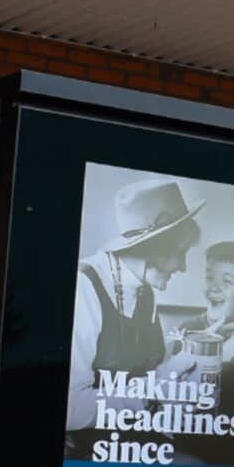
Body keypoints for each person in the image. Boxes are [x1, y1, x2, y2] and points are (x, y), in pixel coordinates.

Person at [67, 176, 206, 433]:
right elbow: (70, 411)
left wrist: (178, 369)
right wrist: (150, 397)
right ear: (157, 246)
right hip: (83, 451)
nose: (184, 267)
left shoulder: (145, 293)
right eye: (182, 251)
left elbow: (145, 373)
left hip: (130, 435)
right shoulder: (84, 286)